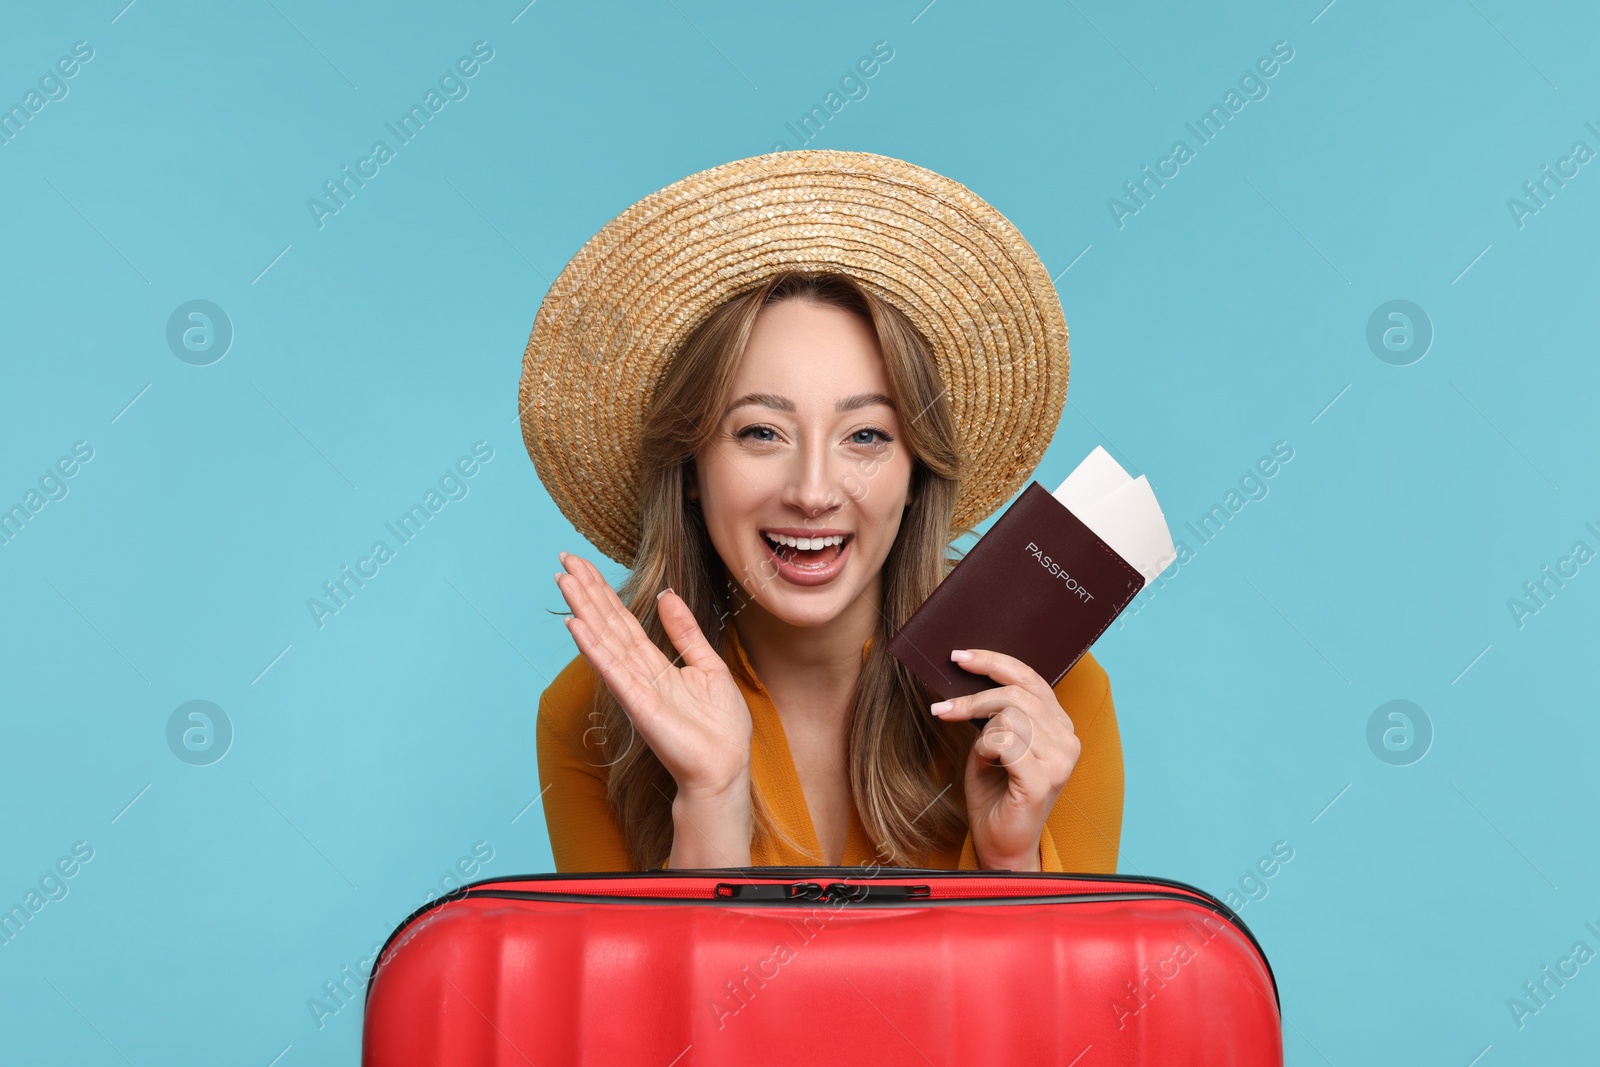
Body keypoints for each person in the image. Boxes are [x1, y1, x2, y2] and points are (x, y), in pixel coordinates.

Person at [521, 150, 1123, 874]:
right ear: (690, 470)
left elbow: (1066, 993)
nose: (812, 491)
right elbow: (650, 994)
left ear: (914, 473)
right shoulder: (595, 715)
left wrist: (1009, 853)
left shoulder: (1051, 696)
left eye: (866, 435)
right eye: (760, 433)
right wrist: (710, 803)